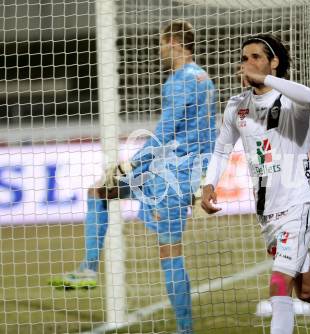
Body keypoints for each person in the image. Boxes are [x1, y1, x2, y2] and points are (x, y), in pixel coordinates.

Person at [200, 34, 310, 334]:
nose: (248, 64)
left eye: (257, 57)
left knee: (278, 284)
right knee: (308, 290)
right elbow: (221, 150)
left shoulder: (290, 102)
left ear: (274, 62)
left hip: (299, 203)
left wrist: (268, 79)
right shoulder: (237, 106)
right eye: (245, 58)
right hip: (267, 212)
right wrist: (209, 185)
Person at [49, 20, 216, 334]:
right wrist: (201, 174)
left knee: (170, 252)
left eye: (162, 43)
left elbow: (164, 134)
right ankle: (88, 268)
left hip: (169, 177)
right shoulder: (204, 79)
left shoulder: (180, 81)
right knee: (100, 192)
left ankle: (185, 330)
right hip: (178, 173)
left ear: (176, 43)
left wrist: (131, 166)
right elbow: (207, 134)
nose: (159, 50)